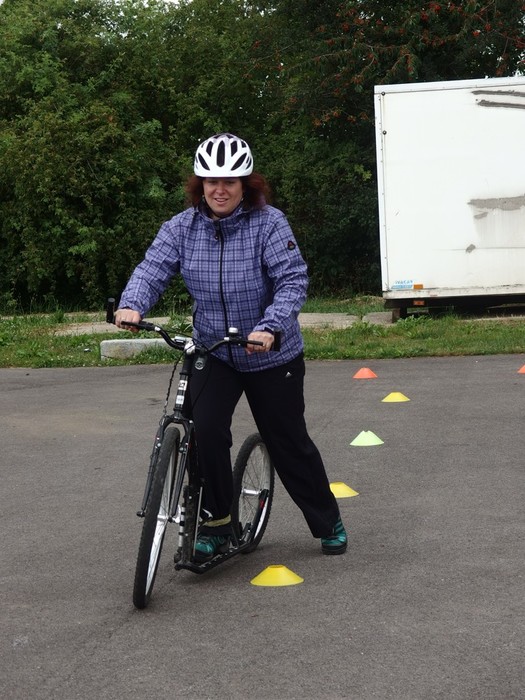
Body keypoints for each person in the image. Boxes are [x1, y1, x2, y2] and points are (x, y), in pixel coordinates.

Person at [115, 132, 347, 561]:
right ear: (199, 185)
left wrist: (270, 327)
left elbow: (292, 280)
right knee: (204, 432)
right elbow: (151, 269)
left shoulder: (269, 224)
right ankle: (218, 524)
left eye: (229, 181)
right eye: (211, 181)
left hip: (269, 352)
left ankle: (326, 519)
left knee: (288, 442)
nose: (219, 190)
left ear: (246, 185)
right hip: (214, 350)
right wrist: (132, 304)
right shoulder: (182, 228)